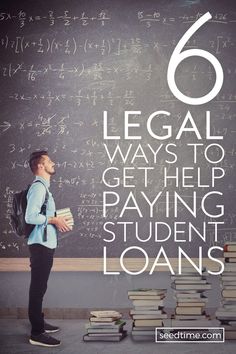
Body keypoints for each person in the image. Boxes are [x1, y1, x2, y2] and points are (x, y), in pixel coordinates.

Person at [25, 151, 71, 347]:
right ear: (41, 166)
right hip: (41, 246)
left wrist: (58, 219)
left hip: (45, 244)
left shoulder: (44, 188)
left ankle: (39, 322)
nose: (54, 163)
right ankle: (37, 333)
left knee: (40, 287)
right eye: (49, 161)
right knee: (37, 289)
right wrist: (53, 219)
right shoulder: (38, 188)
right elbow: (30, 217)